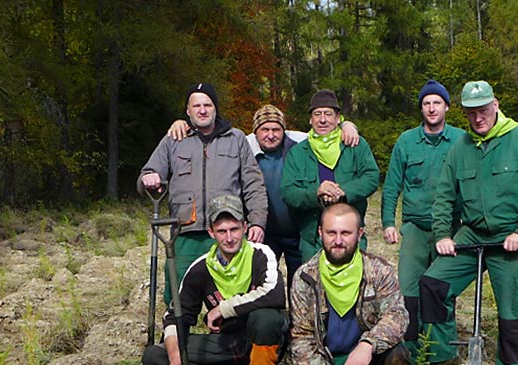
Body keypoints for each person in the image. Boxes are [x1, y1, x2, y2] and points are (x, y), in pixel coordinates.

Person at [419, 80, 518, 365]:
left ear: (495, 106)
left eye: (483, 111)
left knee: (512, 308)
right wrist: (443, 235)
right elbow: (444, 196)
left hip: (511, 237)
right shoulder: (460, 149)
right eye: (471, 113)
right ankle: (441, 356)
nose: (478, 118)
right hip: (473, 234)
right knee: (433, 284)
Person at [165, 105, 361, 284]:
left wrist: (347, 125)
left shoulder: (300, 143)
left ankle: (299, 321)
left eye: (276, 130)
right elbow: (213, 135)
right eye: (264, 130)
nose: (270, 135)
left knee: (302, 281)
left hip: (298, 231)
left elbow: (324, 128)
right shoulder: (243, 144)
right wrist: (181, 122)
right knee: (263, 280)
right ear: (255, 131)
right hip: (262, 232)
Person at [141, 195, 287, 365]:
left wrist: (224, 308)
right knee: (154, 356)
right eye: (222, 231)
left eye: (234, 229)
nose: (229, 238)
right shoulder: (200, 268)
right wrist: (175, 355)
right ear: (211, 233)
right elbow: (175, 317)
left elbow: (275, 294)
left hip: (258, 343)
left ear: (245, 227)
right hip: (224, 346)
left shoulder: (261, 254)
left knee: (267, 318)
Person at [290, 203, 409, 365]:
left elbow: (398, 316)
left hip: (365, 360)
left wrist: (368, 344)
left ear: (360, 234)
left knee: (398, 356)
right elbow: (302, 337)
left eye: (346, 233)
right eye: (331, 233)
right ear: (320, 233)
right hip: (328, 362)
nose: (338, 241)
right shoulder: (304, 278)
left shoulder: (379, 270)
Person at [139, 83, 268, 303]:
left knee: (234, 294)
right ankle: (176, 334)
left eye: (207, 104)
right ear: (188, 111)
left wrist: (257, 221)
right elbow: (147, 175)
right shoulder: (174, 139)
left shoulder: (236, 139)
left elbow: (254, 185)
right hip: (185, 233)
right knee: (178, 297)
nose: (202, 110)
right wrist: (149, 178)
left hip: (227, 232)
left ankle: (229, 335)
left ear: (215, 108)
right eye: (196, 105)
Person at [380, 80, 466, 365]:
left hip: (451, 229)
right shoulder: (406, 142)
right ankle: (413, 352)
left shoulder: (461, 140)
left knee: (441, 289)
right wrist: (388, 222)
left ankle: (443, 354)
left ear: (446, 107)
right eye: (427, 103)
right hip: (415, 228)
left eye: (437, 103)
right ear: (422, 108)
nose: (431, 108)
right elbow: (391, 185)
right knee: (410, 291)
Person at [282, 90, 380, 262]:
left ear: (338, 118)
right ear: (310, 119)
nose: (322, 119)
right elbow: (288, 191)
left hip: (351, 236)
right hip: (312, 240)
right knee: (313, 286)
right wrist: (316, 192)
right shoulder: (298, 153)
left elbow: (371, 177)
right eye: (317, 114)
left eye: (328, 114)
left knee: (354, 286)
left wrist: (344, 192)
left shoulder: (355, 145)